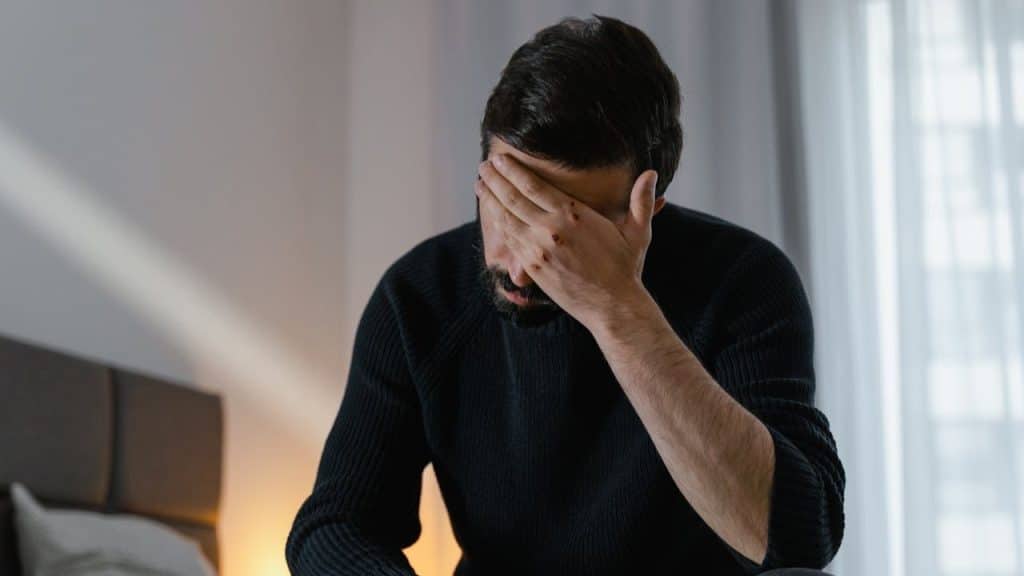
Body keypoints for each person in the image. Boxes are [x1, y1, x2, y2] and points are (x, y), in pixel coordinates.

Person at [286, 14, 844, 576]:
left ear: (650, 205)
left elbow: (795, 538)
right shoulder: (419, 297)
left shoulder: (745, 281)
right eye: (513, 207)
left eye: (574, 228)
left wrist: (618, 309)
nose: (528, 266)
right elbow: (335, 525)